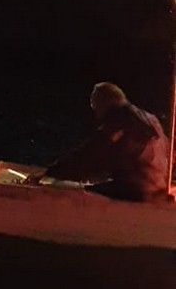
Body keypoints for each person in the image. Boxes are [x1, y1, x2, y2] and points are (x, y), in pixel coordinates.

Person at [30, 82, 170, 202]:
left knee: (73, 190)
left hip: (137, 190)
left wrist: (51, 172)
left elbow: (89, 154)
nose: (97, 114)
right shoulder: (151, 119)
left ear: (105, 103)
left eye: (96, 107)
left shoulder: (118, 122)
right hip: (157, 188)